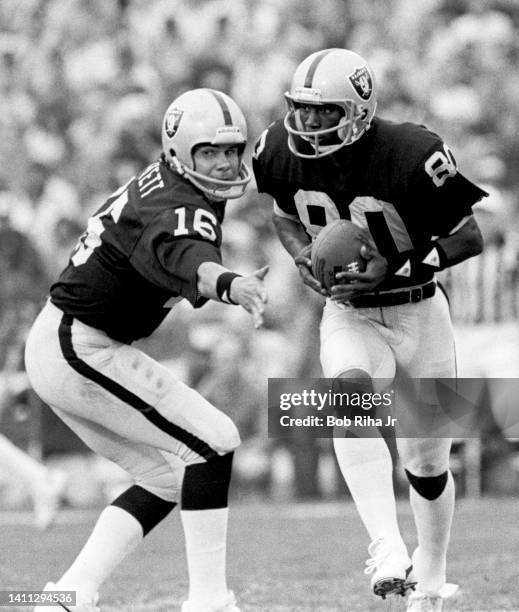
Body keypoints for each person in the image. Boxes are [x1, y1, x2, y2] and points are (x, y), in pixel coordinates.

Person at [252, 48, 485, 611]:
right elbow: (283, 214)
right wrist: (303, 256)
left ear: (357, 111)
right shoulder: (277, 150)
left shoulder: (413, 152)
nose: (306, 124)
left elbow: (469, 236)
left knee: (428, 464)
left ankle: (431, 574)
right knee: (348, 393)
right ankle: (385, 545)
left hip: (422, 308)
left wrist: (397, 265)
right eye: (300, 110)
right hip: (350, 312)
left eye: (321, 112)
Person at [25, 88, 268, 612]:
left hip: (69, 341)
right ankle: (209, 601)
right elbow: (188, 256)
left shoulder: (171, 184)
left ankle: (66, 594)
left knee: (164, 478)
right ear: (180, 150)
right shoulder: (177, 204)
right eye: (211, 152)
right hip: (79, 344)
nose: (226, 163)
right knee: (214, 439)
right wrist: (232, 285)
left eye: (233, 150)